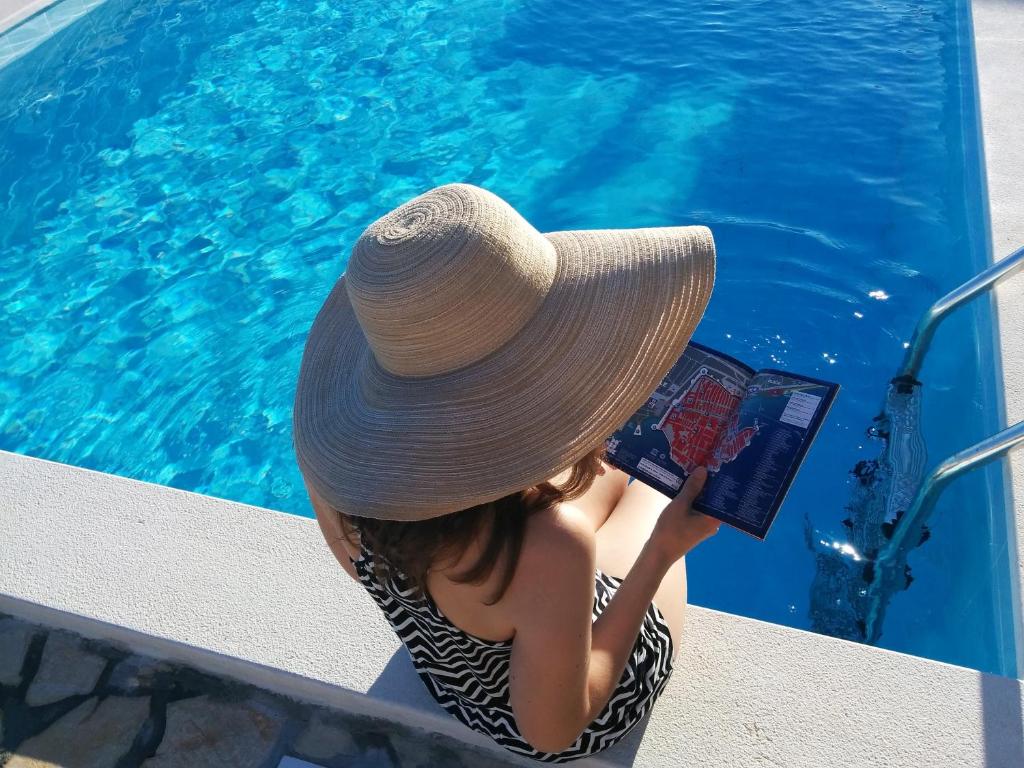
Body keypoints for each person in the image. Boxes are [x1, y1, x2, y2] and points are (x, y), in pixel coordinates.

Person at [292, 182, 721, 763]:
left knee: (622, 471)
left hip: (450, 673)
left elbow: (354, 564)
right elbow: (552, 731)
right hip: (555, 712)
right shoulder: (552, 544)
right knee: (652, 483)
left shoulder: (343, 468)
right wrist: (662, 553)